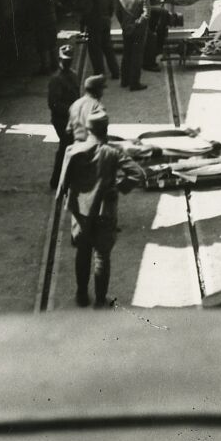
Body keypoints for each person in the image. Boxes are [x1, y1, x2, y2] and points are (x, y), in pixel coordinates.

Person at [57, 109, 131, 308]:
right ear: (106, 129)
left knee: (83, 252)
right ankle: (100, 301)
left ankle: (81, 295)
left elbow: (63, 184)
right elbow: (138, 174)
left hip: (81, 212)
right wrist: (118, 188)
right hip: (104, 213)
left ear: (88, 128)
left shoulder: (72, 150)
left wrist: (69, 198)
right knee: (102, 257)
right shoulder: (113, 152)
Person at [46, 45, 79, 191]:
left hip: (72, 118)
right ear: (60, 60)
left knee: (68, 147)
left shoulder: (73, 75)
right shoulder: (56, 80)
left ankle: (63, 179)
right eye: (65, 60)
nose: (67, 63)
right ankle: (57, 181)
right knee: (66, 147)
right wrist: (71, 110)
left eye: (69, 60)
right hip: (61, 120)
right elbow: (53, 104)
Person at [80, 0, 120, 80]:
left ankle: (99, 73)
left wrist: (83, 24)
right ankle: (115, 71)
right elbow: (112, 8)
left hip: (95, 23)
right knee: (108, 47)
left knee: (95, 49)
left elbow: (87, 11)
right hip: (106, 21)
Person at [115, 0, 150, 91]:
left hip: (126, 29)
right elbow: (146, 15)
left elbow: (118, 12)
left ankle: (124, 81)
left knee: (126, 54)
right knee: (136, 56)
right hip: (138, 31)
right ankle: (134, 83)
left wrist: (125, 24)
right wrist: (136, 24)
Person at [68, 73, 108, 144]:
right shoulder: (97, 106)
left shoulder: (75, 104)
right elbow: (101, 131)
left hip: (76, 144)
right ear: (97, 90)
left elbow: (69, 129)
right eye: (102, 89)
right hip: (91, 145)